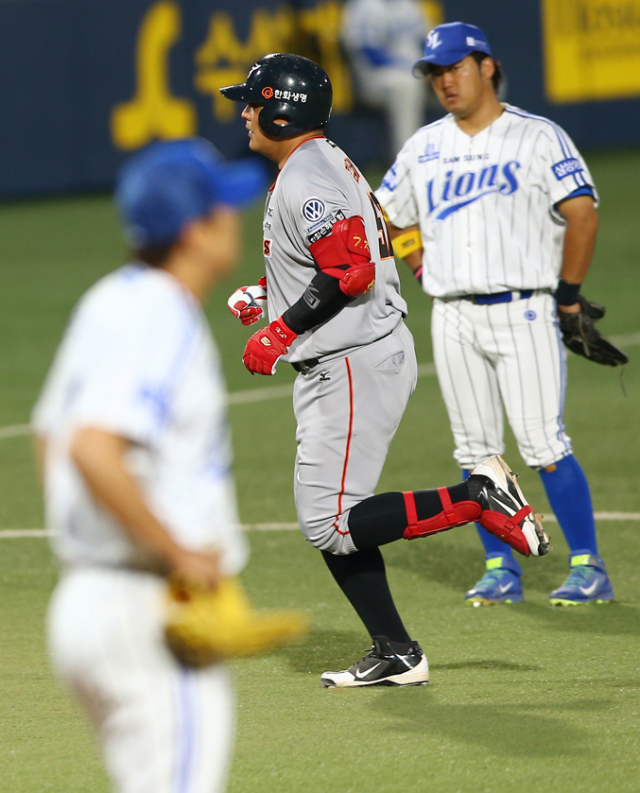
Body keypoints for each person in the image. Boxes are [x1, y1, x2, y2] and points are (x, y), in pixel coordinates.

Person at [220, 52, 548, 689]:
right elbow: (332, 257)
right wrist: (270, 296)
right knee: (335, 519)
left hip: (352, 362)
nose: (245, 113)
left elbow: (351, 271)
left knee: (330, 521)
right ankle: (396, 651)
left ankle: (476, 497)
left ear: (281, 111)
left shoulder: (306, 176)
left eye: (253, 102)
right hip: (357, 354)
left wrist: (280, 330)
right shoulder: (319, 161)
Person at [32, 138, 266, 793]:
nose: (235, 218)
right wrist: (176, 551)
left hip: (85, 604)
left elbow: (50, 435)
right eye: (223, 208)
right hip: (146, 611)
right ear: (194, 232)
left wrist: (90, 538)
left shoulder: (109, 299)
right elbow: (92, 446)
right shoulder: (163, 313)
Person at [376, 22, 617, 607]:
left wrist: (567, 293)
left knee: (543, 444)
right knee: (475, 452)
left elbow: (582, 213)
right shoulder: (423, 146)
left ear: (487, 66)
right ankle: (499, 567)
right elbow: (387, 215)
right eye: (435, 73)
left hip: (524, 310)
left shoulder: (538, 136)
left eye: (455, 68)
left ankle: (588, 566)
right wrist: (421, 268)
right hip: (453, 317)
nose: (445, 81)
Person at [341, 0, 430, 159]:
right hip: (376, 77)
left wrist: (429, 68)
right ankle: (407, 156)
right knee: (405, 85)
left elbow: (426, 41)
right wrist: (409, 68)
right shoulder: (363, 6)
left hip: (413, 73)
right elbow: (367, 51)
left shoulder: (409, 5)